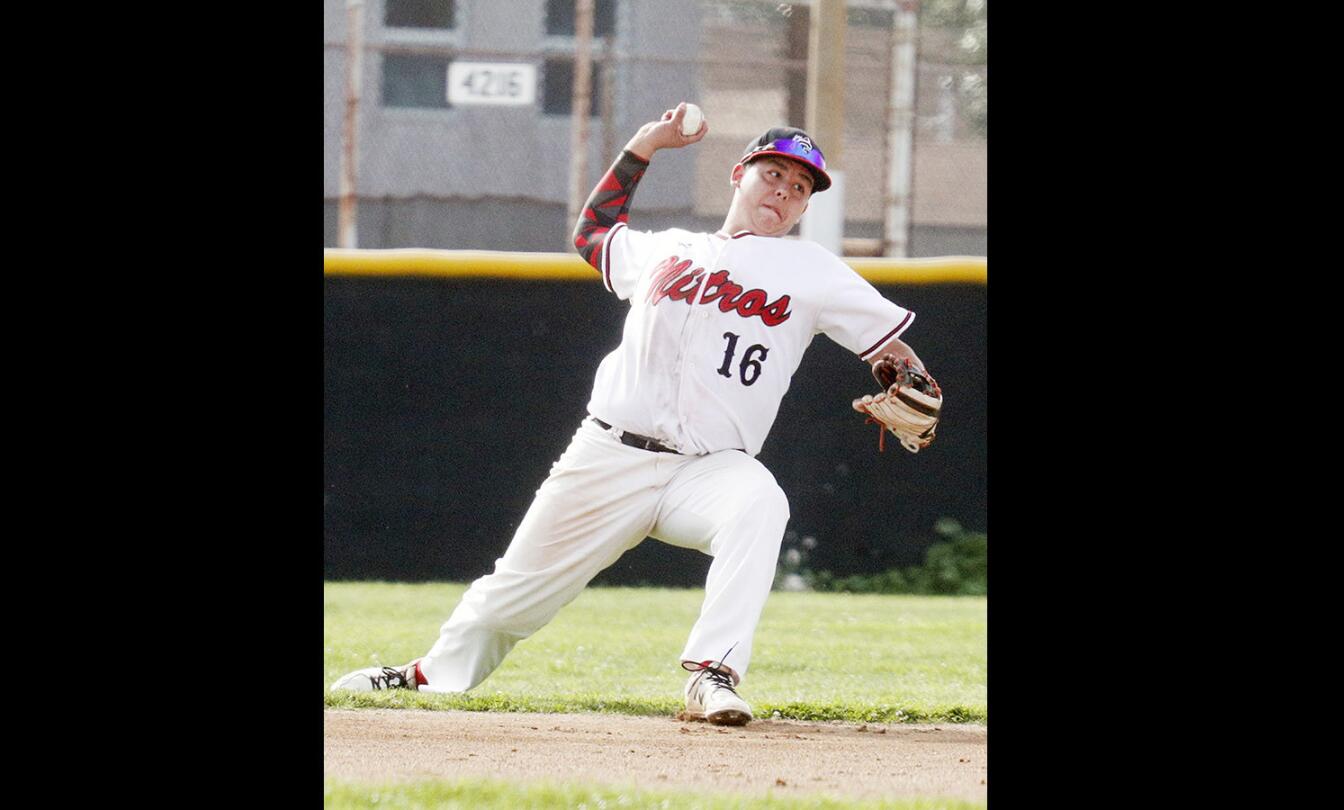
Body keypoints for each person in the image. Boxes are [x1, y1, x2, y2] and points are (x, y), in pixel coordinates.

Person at [331, 103, 935, 727]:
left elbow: (888, 347)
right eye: (773, 175)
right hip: (608, 456)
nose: (783, 192)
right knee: (507, 601)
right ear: (739, 174)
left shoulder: (812, 270)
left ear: (805, 206)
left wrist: (910, 377)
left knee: (761, 502)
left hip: (708, 470)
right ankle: (428, 676)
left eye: (800, 187)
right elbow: (592, 233)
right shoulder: (667, 249)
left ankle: (714, 674)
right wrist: (644, 145)